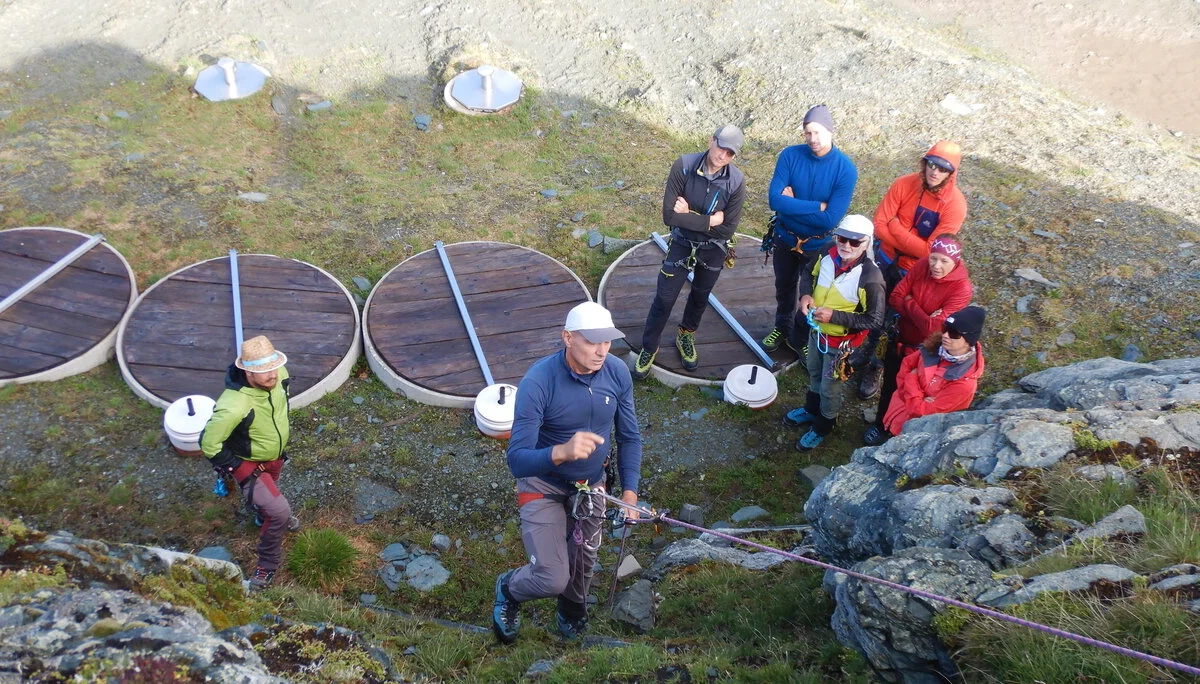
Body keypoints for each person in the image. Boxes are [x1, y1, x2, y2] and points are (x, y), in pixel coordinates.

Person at [493, 301, 643, 644]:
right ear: (567, 338)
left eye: (607, 341)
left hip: (592, 486)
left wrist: (630, 494)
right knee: (551, 577)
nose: (602, 350)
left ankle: (572, 612)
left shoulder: (617, 372)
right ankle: (509, 589)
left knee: (584, 561)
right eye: (592, 341)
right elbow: (517, 460)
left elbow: (630, 436)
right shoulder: (539, 382)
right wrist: (561, 453)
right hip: (543, 484)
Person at [634, 124, 746, 378]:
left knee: (700, 295)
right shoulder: (683, 166)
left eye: (730, 153)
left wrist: (688, 215)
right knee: (664, 298)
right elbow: (668, 216)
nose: (723, 156)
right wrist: (709, 221)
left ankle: (686, 335)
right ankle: (649, 346)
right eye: (721, 147)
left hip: (714, 250)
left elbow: (727, 230)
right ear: (710, 140)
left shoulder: (736, 182)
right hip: (682, 244)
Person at [859, 141, 967, 398]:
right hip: (885, 260)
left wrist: (896, 229)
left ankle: (876, 365)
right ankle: (864, 349)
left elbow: (933, 252)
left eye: (942, 169)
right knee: (871, 308)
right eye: (931, 164)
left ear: (951, 174)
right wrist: (903, 236)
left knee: (893, 322)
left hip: (914, 272)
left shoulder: (954, 205)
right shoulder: (904, 184)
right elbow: (879, 223)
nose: (934, 172)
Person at [200, 335, 299, 592]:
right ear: (248, 373)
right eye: (263, 371)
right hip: (250, 463)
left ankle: (260, 513)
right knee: (279, 512)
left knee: (269, 502)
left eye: (274, 367)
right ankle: (267, 564)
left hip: (275, 456)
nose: (272, 375)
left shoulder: (279, 375)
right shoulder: (234, 404)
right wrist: (240, 469)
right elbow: (209, 443)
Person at [760, 104, 858, 354]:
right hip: (785, 237)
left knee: (811, 293)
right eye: (807, 133)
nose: (812, 139)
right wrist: (817, 206)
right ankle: (782, 327)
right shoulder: (790, 156)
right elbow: (774, 200)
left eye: (818, 132)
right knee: (784, 285)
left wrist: (791, 203)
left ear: (830, 131)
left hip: (817, 245)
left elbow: (829, 220)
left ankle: (801, 338)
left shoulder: (845, 170)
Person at [784, 215, 884, 450]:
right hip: (817, 331)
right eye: (842, 238)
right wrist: (806, 295)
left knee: (831, 386)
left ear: (867, 243)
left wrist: (835, 317)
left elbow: (875, 319)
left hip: (842, 344)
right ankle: (811, 410)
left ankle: (824, 424)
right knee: (814, 372)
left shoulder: (871, 278)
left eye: (855, 242)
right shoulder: (827, 251)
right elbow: (808, 273)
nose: (846, 246)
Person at [864, 236, 973, 446]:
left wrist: (910, 301)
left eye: (944, 261)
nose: (936, 266)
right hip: (900, 340)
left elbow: (933, 328)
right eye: (934, 258)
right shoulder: (922, 265)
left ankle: (899, 436)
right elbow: (895, 297)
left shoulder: (961, 288)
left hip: (925, 352)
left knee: (913, 393)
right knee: (889, 385)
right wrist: (926, 314)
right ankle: (881, 424)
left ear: (956, 261)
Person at [879, 306, 986, 437]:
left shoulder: (964, 384)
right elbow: (906, 365)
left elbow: (923, 413)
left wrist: (912, 379)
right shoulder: (934, 347)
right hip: (896, 411)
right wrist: (919, 398)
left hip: (912, 432)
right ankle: (883, 429)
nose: (945, 336)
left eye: (954, 334)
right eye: (945, 329)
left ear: (969, 341)